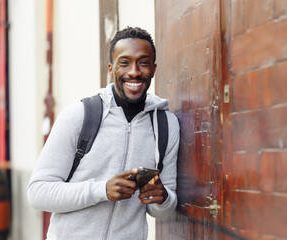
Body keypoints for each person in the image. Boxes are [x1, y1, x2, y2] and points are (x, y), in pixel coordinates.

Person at [27, 27, 180, 240]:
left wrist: (161, 198)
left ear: (153, 69)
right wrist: (102, 190)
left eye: (143, 63)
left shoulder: (166, 125)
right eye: (124, 63)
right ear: (111, 68)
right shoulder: (79, 116)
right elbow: (38, 193)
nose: (134, 72)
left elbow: (163, 210)